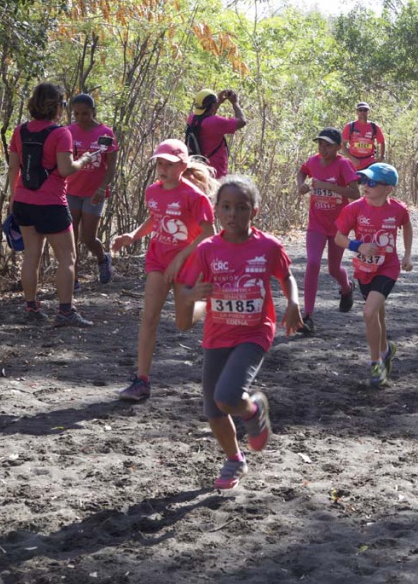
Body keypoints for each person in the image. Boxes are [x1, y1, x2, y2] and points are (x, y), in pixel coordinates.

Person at [176, 175, 302, 490]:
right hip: (217, 334)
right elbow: (184, 288)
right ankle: (234, 459)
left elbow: (286, 276)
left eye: (241, 208)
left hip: (254, 333)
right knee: (213, 410)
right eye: (227, 207)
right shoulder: (207, 249)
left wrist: (293, 303)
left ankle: (253, 409)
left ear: (254, 211)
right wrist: (194, 295)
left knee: (227, 396)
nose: (233, 214)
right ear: (217, 210)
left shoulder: (268, 246)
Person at [112, 139, 217, 401]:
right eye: (159, 163)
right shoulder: (152, 192)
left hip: (188, 264)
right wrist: (133, 235)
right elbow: (155, 217)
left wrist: (180, 257)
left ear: (182, 166)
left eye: (168, 164)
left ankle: (203, 303)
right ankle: (142, 380)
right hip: (158, 261)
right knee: (149, 317)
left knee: (183, 324)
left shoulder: (195, 197)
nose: (162, 169)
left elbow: (209, 233)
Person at [8, 82, 100, 327]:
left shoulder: (19, 131)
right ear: (57, 106)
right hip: (51, 204)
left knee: (31, 256)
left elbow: (14, 168)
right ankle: (65, 312)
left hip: (23, 201)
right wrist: (84, 160)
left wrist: (12, 198)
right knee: (67, 257)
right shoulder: (61, 133)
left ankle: (31, 308)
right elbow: (66, 169)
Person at [334, 163, 413, 386]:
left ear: (388, 188)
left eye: (372, 182)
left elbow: (407, 226)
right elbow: (339, 238)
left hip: (388, 268)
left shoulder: (398, 210)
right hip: (364, 269)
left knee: (369, 312)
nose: (365, 186)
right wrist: (357, 246)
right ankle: (386, 350)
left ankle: (375, 363)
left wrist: (407, 255)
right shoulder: (354, 209)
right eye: (364, 181)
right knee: (377, 314)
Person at [296, 128, 360, 335]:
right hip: (316, 223)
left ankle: (347, 288)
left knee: (333, 269)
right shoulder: (313, 161)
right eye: (320, 144)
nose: (323, 149)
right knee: (313, 263)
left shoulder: (343, 164)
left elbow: (355, 193)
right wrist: (301, 184)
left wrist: (329, 187)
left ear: (338, 147)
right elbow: (302, 171)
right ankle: (307, 316)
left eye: (328, 145)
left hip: (338, 225)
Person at [65, 93, 118, 287]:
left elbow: (111, 165)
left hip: (94, 192)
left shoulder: (105, 134)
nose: (81, 118)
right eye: (77, 114)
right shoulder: (68, 132)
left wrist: (103, 187)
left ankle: (103, 259)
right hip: (71, 190)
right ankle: (73, 277)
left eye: (85, 114)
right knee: (71, 237)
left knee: (88, 237)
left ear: (93, 112)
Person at [187, 88, 246, 179]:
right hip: (216, 173)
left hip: (200, 171)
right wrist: (235, 103)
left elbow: (206, 117)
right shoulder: (215, 122)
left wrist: (218, 102)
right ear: (212, 106)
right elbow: (242, 122)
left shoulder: (191, 119)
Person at [342, 102, 386, 171]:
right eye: (360, 110)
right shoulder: (350, 126)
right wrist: (351, 158)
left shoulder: (374, 127)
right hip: (354, 163)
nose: (362, 112)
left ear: (368, 112)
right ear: (357, 112)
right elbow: (343, 145)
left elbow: (382, 142)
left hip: (370, 163)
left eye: (365, 110)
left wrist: (382, 157)